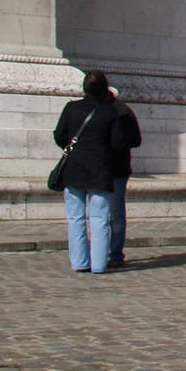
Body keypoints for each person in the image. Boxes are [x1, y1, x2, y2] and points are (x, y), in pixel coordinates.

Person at [52, 70, 126, 275]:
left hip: (74, 169)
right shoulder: (110, 112)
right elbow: (117, 143)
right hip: (100, 171)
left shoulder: (71, 108)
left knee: (75, 218)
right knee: (99, 219)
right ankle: (100, 264)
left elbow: (60, 136)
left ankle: (80, 262)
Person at [107, 86, 142, 268]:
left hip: (100, 168)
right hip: (119, 168)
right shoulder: (125, 111)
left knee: (101, 213)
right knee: (117, 212)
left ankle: (100, 251)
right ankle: (115, 254)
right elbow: (136, 140)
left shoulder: (99, 110)